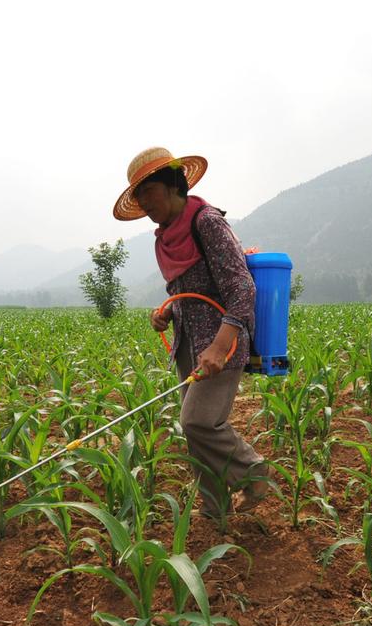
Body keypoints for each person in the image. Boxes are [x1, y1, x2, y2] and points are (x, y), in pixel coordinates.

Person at [113, 146, 268, 518]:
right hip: (187, 342)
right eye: (138, 198)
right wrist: (163, 314)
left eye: (147, 193)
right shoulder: (164, 238)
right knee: (196, 432)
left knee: (198, 420)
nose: (144, 204)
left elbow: (242, 289)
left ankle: (254, 472)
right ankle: (216, 509)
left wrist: (219, 345)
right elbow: (180, 292)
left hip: (221, 342)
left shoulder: (207, 222)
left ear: (171, 186)